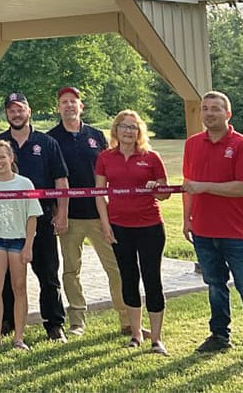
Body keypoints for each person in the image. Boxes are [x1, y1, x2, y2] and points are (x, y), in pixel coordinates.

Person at [183, 91, 243, 365]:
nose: (209, 113)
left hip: (237, 233)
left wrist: (205, 187)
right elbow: (188, 184)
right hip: (204, 231)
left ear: (227, 114)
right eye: (205, 109)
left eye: (216, 109)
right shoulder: (193, 144)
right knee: (215, 285)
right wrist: (187, 219)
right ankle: (219, 336)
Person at [47, 86, 130, 336]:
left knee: (115, 267)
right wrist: (57, 213)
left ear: (81, 106)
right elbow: (52, 179)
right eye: (64, 102)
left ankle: (127, 319)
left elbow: (107, 172)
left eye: (73, 101)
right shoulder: (51, 138)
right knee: (71, 271)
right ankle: (77, 321)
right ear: (58, 107)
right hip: (69, 216)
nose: (69, 106)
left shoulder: (95, 135)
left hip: (98, 214)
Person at [0, 92, 69, 341]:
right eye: (11, 110)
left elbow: (60, 180)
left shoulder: (46, 143)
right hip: (4, 222)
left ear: (29, 111)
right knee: (9, 277)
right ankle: (8, 322)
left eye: (20, 108)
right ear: (7, 114)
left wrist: (62, 213)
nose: (16, 113)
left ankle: (54, 324)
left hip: (40, 219)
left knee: (48, 274)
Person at [95, 110, 170, 355]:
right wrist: (106, 225)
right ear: (115, 130)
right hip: (119, 227)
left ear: (139, 131)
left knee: (152, 279)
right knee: (128, 279)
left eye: (133, 127)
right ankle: (136, 334)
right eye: (123, 126)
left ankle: (156, 338)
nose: (128, 131)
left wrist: (155, 188)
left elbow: (164, 193)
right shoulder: (105, 157)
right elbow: (99, 194)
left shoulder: (151, 157)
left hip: (149, 227)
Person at [0, 139, 42, 352]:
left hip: (18, 240)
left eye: (2, 157)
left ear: (11, 157)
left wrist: (29, 246)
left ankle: (18, 337)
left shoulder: (25, 184)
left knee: (19, 287)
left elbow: (32, 216)